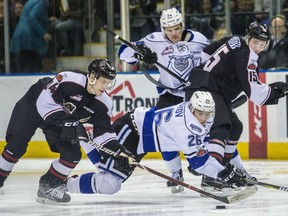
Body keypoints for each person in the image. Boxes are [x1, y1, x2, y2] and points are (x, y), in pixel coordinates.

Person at [66, 91, 248, 200]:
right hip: (131, 131)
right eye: (200, 113)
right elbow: (199, 163)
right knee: (109, 183)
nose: (204, 118)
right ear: (192, 109)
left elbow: (215, 145)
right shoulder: (183, 125)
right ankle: (66, 182)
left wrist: (234, 169)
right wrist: (225, 173)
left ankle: (87, 143)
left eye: (208, 113)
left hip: (143, 141)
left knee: (109, 176)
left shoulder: (201, 114)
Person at [0, 58, 133, 204]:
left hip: (62, 121)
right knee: (16, 146)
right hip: (33, 105)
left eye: (109, 83)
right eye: (103, 82)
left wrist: (117, 151)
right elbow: (44, 101)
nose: (105, 87)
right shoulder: (71, 79)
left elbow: (104, 132)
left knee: (73, 155)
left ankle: (47, 187)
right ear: (93, 77)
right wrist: (69, 122)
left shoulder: (104, 103)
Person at [184, 21, 288, 188]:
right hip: (209, 89)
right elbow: (254, 92)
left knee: (235, 127)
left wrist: (206, 72)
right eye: (255, 42)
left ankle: (226, 169)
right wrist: (277, 91)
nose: (258, 48)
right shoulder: (247, 55)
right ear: (249, 38)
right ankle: (212, 175)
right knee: (221, 126)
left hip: (203, 84)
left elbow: (207, 51)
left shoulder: (235, 40)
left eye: (262, 44)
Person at [118, 7, 210, 193]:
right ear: (162, 29)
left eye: (176, 28)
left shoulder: (199, 40)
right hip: (169, 95)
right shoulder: (154, 40)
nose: (173, 33)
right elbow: (123, 54)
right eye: (168, 30)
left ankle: (208, 173)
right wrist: (141, 52)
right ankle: (175, 174)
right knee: (164, 135)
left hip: (194, 96)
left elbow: (211, 63)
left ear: (182, 25)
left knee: (203, 132)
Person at [9, 0, 52, 73]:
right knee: (30, 66)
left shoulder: (31, 2)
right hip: (28, 38)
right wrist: (43, 34)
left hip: (21, 35)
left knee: (23, 65)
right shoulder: (40, 3)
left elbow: (32, 16)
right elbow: (32, 18)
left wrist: (48, 20)